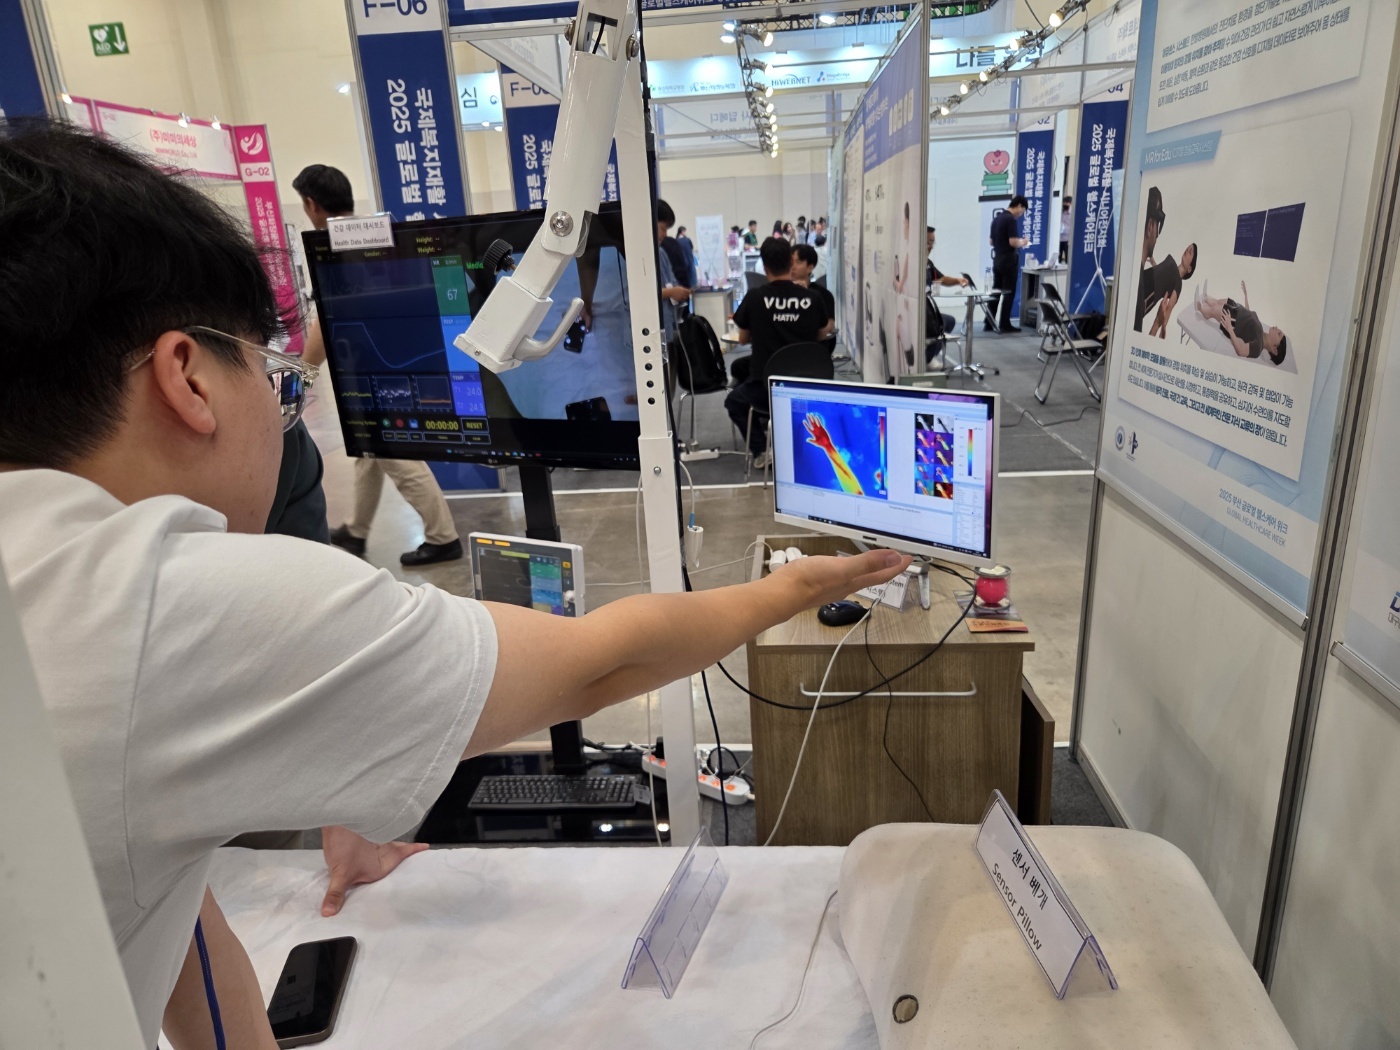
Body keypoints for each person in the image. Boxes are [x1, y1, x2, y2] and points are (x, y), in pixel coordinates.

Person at [0, 121, 910, 1049]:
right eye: (275, 381)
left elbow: (177, 909)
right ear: (188, 378)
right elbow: (601, 662)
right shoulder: (173, 603)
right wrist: (797, 586)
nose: (281, 415)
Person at [291, 163, 463, 566]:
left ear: (312, 204)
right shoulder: (376, 234)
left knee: (395, 453)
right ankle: (356, 531)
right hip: (395, 360)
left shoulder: (332, 247)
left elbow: (327, 321)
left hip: (369, 369)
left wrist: (302, 373)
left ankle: (443, 537)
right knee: (368, 451)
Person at [725, 237, 835, 465]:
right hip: (807, 385)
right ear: (790, 262)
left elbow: (743, 338)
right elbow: (821, 334)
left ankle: (761, 452)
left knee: (734, 402)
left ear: (765, 267)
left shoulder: (755, 297)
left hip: (766, 389)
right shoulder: (813, 298)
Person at [1196, 282, 1288, 365]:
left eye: (1279, 334)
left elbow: (1240, 351)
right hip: (1237, 308)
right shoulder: (1261, 330)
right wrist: (1246, 295)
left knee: (1214, 310)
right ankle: (1205, 299)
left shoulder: (1258, 347)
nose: (1277, 328)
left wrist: (1229, 328)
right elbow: (1249, 314)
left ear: (1274, 350)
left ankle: (1200, 308)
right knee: (1218, 302)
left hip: (1233, 322)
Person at [1134, 242, 1198, 336]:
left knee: (1133, 314)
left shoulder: (1178, 284)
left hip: (1147, 293)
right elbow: (1161, 274)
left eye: (1190, 251)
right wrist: (1152, 261)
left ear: (1189, 269)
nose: (1187, 249)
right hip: (1144, 277)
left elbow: (1168, 309)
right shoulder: (1172, 266)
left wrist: (1162, 329)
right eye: (1188, 247)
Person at [988, 195, 1030, 333]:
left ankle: (988, 322)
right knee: (1008, 292)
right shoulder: (1010, 219)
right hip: (1008, 261)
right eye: (1022, 211)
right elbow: (1013, 242)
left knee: (996, 291)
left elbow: (991, 242)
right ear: (1019, 206)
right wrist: (1023, 242)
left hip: (997, 260)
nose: (1021, 214)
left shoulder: (997, 219)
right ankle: (1004, 324)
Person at [656, 198, 692, 345]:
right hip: (653, 328)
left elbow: (671, 281)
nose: (665, 234)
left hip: (667, 322)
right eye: (663, 228)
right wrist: (670, 292)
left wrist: (679, 291)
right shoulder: (637, 257)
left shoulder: (661, 253)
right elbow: (641, 295)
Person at [926, 226, 968, 338]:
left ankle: (932, 347)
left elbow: (941, 279)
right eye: (929, 243)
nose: (931, 247)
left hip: (929, 311)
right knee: (940, 326)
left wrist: (957, 280)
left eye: (933, 243)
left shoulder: (928, 263)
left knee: (949, 321)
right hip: (920, 314)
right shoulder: (913, 264)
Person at [791, 243, 835, 322]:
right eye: (790, 262)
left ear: (810, 268)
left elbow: (829, 324)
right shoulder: (780, 292)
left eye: (798, 262)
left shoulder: (823, 294)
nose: (792, 267)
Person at [1060, 196, 1073, 264]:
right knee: (1058, 256)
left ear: (1070, 203)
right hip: (1059, 238)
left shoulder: (1072, 213)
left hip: (1067, 239)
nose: (1064, 204)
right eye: (1064, 203)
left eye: (1066, 203)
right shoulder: (1061, 212)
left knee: (1068, 257)